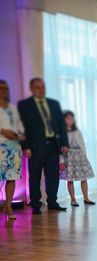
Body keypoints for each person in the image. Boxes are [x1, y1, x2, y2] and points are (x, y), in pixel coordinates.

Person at [18, 77, 69, 215]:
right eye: (38, 87)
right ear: (31, 89)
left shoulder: (54, 104)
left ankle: (52, 202)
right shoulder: (24, 105)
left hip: (53, 145)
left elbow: (61, 125)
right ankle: (35, 204)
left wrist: (64, 143)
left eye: (43, 87)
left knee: (53, 176)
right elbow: (21, 127)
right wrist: (25, 146)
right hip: (35, 147)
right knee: (34, 177)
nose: (41, 90)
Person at [0, 80, 25, 220]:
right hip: (0, 145)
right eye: (1, 88)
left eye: (5, 88)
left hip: (13, 147)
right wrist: (3, 130)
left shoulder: (12, 107)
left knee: (11, 177)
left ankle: (8, 205)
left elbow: (19, 124)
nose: (3, 90)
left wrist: (20, 134)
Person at [59, 111, 95, 207]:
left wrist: (85, 157)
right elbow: (59, 147)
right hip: (68, 157)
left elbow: (82, 144)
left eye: (72, 118)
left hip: (79, 156)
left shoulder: (77, 131)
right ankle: (73, 199)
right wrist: (61, 160)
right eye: (68, 118)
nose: (70, 120)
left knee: (84, 178)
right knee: (70, 179)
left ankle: (86, 198)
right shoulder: (61, 132)